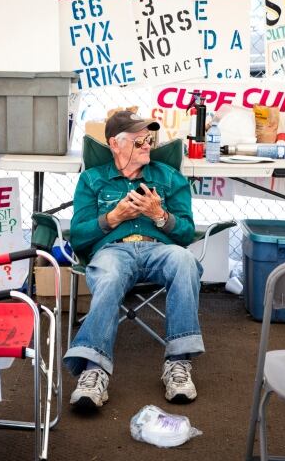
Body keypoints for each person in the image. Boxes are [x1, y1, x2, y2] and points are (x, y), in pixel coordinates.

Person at [63, 110, 204, 410]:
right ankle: (93, 372)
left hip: (159, 249)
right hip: (113, 251)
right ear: (115, 144)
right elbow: (78, 236)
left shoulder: (170, 178)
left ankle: (178, 365)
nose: (146, 145)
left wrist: (161, 216)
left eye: (149, 139)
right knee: (111, 274)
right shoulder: (91, 180)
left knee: (184, 261)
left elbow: (187, 233)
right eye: (138, 140)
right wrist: (112, 218)